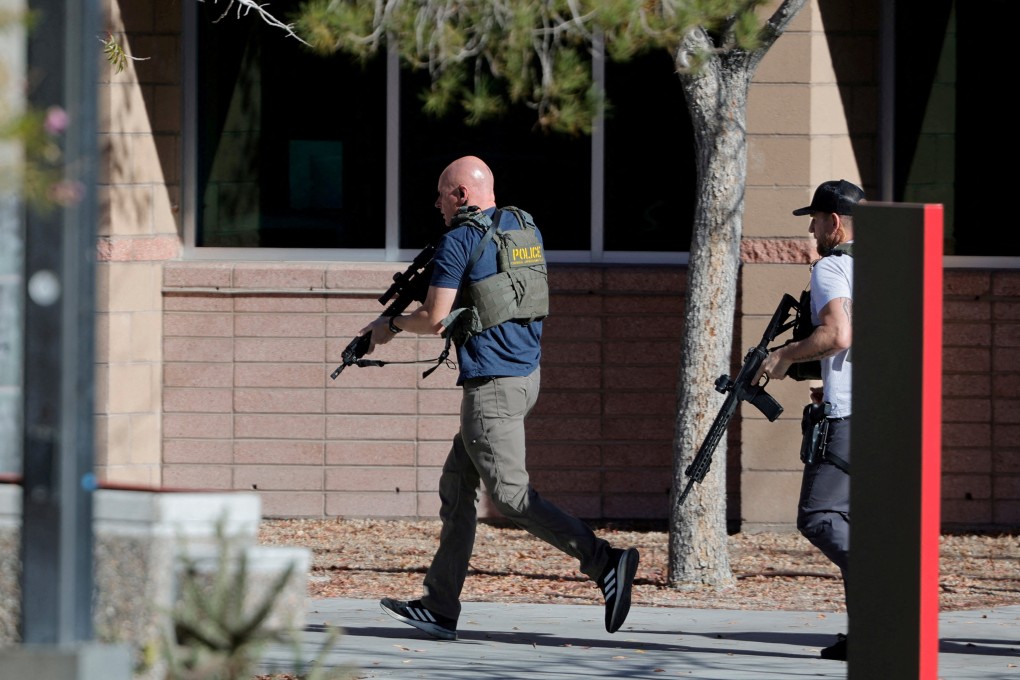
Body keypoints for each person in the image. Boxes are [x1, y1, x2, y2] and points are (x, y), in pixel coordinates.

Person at [359, 155, 639, 641]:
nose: (437, 204)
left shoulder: (459, 239)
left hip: (492, 390)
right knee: (456, 486)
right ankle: (440, 606)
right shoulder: (520, 227)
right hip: (525, 377)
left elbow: (434, 318)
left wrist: (388, 327)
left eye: (442, 194)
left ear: (461, 195)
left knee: (509, 496)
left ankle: (604, 561)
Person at [753, 179, 864, 662]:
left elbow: (838, 334)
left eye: (816, 220)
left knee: (820, 517)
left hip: (848, 416)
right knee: (850, 520)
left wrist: (783, 356)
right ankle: (868, 630)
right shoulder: (891, 266)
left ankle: (885, 590)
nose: (812, 229)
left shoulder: (833, 267)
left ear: (834, 223)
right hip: (889, 413)